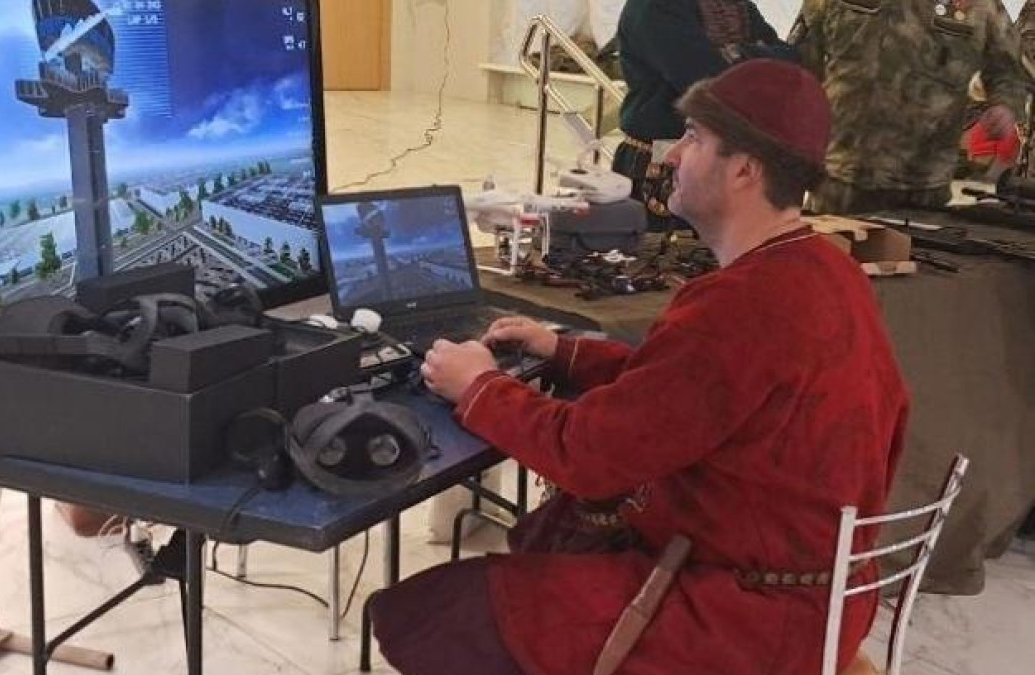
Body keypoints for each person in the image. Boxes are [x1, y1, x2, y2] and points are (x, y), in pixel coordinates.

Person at [370, 60, 909, 675]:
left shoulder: (745, 302)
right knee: (542, 547)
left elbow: (589, 455)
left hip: (747, 617)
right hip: (814, 598)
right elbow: (687, 390)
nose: (671, 155)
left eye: (694, 138)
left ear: (744, 170)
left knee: (430, 615)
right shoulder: (826, 269)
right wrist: (562, 351)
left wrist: (479, 387)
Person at [791, 0, 1027, 214]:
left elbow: (1009, 69)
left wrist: (1005, 106)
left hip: (926, 181)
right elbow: (796, 70)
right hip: (841, 174)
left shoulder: (980, 5)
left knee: (915, 249)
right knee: (831, 248)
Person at [612, 0, 795, 228]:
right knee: (670, 250)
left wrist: (736, 55)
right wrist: (753, 59)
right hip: (665, 168)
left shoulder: (734, 4)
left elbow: (791, 63)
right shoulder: (656, 6)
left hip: (729, 162)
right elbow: (710, 80)